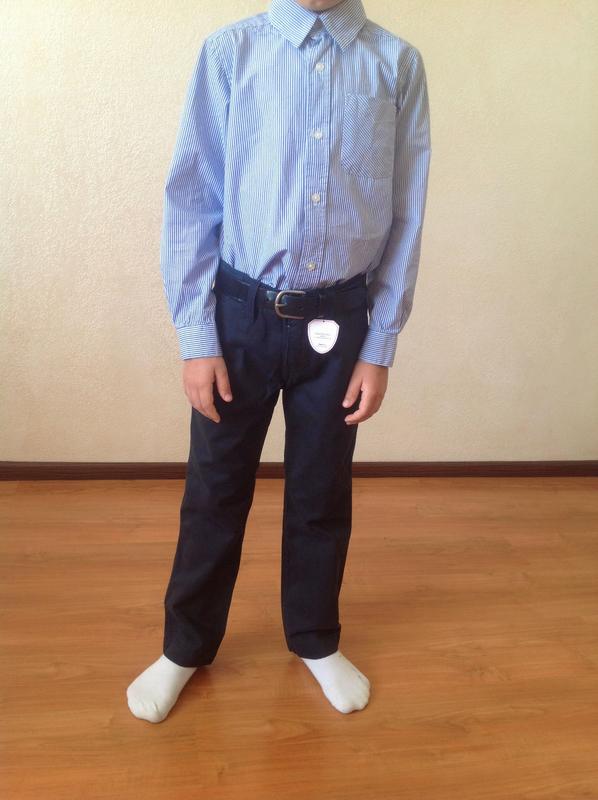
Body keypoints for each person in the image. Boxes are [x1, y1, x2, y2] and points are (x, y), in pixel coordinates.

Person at [126, 0, 431, 722]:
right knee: (215, 486)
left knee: (322, 487)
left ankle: (316, 637)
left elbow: (406, 211)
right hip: (239, 317)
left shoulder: (396, 65)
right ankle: (185, 645)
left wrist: (380, 343)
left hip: (341, 322)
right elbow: (193, 195)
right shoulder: (229, 53)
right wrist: (198, 337)